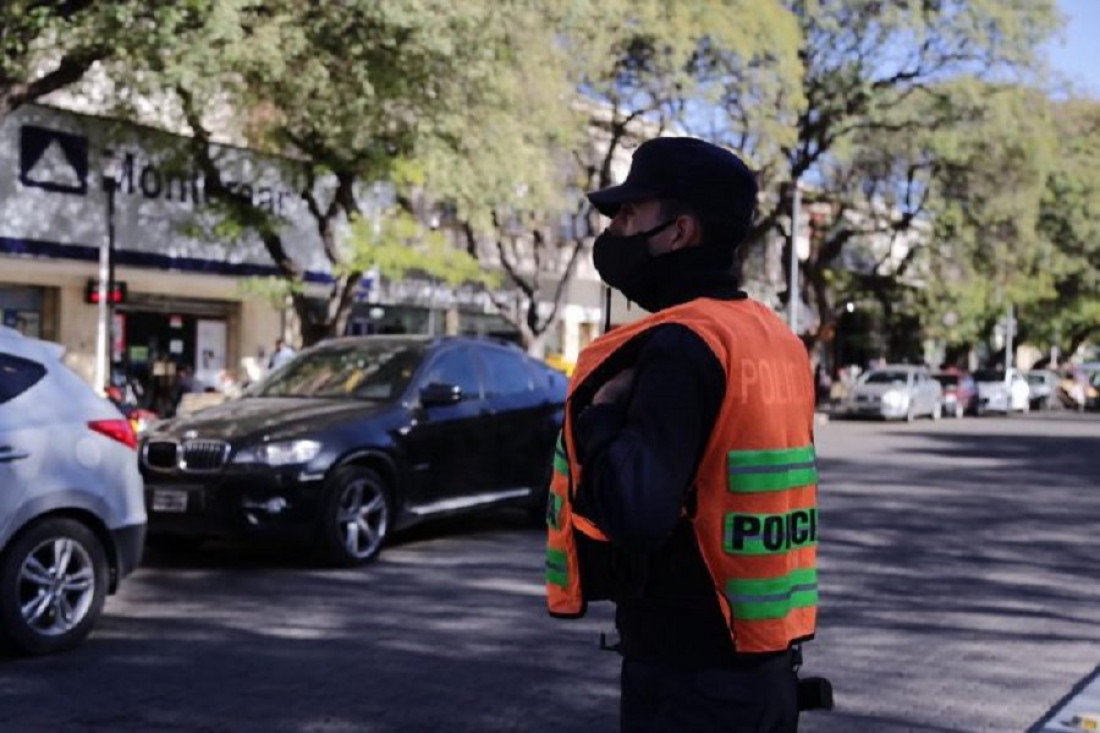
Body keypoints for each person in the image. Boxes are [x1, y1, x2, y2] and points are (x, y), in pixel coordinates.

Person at [545, 137, 820, 732]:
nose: (613, 230)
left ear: (678, 231)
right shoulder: (775, 340)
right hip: (764, 665)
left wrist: (604, 416)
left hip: (691, 681)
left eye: (628, 214)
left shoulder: (682, 345)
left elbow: (636, 513)